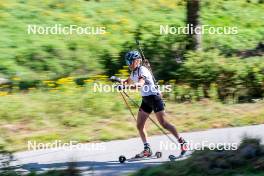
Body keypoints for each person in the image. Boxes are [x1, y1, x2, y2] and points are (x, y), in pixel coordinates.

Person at [117, 50, 188, 157]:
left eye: (129, 62)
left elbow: (139, 85)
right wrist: (117, 80)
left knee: (164, 123)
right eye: (127, 62)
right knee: (140, 125)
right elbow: (128, 81)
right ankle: (147, 149)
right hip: (146, 100)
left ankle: (182, 142)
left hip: (155, 98)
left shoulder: (143, 70)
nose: (128, 64)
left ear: (137, 61)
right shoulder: (134, 71)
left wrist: (124, 87)